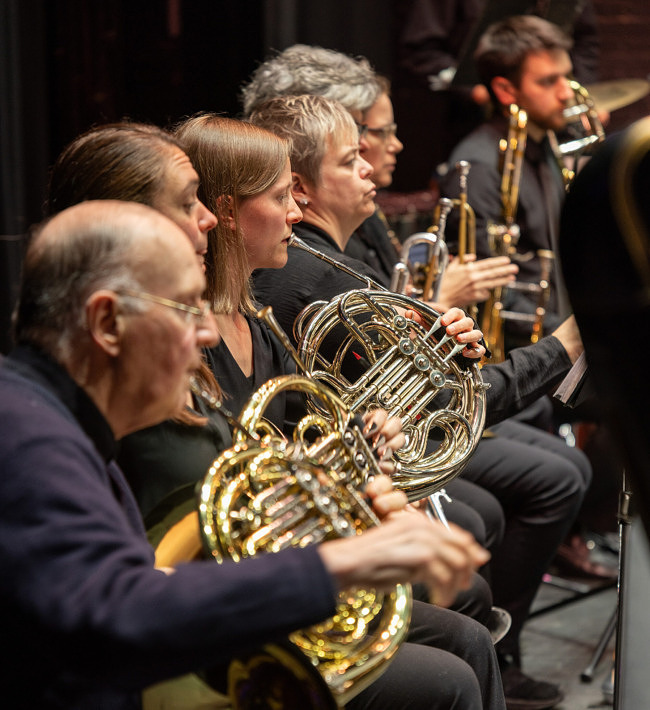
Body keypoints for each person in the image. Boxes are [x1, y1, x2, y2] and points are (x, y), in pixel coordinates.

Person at [41, 122, 506, 709]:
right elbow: (123, 609)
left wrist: (353, 478)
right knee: (449, 675)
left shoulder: (95, 404)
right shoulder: (41, 437)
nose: (205, 329)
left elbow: (267, 465)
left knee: (462, 637)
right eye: (185, 309)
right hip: (200, 634)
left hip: (224, 603)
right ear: (108, 321)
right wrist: (341, 558)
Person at [249, 92, 591, 710]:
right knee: (525, 499)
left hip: (386, 464)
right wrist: (562, 347)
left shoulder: (339, 258)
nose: (376, 165)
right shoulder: (310, 278)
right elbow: (447, 406)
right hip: (360, 493)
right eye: (354, 158)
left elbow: (424, 393)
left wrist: (432, 332)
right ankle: (499, 672)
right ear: (301, 190)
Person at [439, 15, 585, 352]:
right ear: (506, 90)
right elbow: (492, 296)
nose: (567, 92)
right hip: (525, 357)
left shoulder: (543, 140)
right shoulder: (478, 166)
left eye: (567, 76)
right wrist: (575, 339)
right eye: (549, 81)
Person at [391, 0, 601, 192]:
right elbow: (421, 51)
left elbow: (585, 39)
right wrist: (473, 89)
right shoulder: (478, 165)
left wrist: (574, 91)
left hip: (537, 127)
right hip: (474, 120)